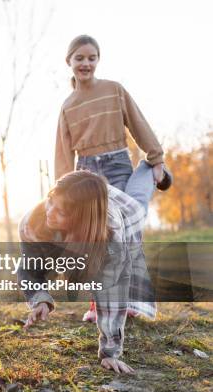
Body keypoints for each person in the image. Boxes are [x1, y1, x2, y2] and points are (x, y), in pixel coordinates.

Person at [55, 34, 172, 322]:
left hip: (118, 164)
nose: (86, 63)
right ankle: (98, 305)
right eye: (79, 58)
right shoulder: (68, 105)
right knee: (96, 237)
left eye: (91, 58)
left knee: (122, 233)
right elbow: (62, 151)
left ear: (98, 60)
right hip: (87, 172)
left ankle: (130, 302)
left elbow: (137, 122)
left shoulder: (113, 90)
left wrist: (155, 157)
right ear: (69, 62)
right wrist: (62, 191)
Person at [18, 162, 159, 373]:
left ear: (79, 219)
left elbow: (111, 293)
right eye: (50, 201)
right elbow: (29, 266)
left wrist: (110, 353)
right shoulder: (33, 222)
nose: (49, 211)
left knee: (139, 201)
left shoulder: (112, 240)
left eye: (61, 211)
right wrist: (40, 298)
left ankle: (150, 167)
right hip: (91, 198)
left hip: (126, 212)